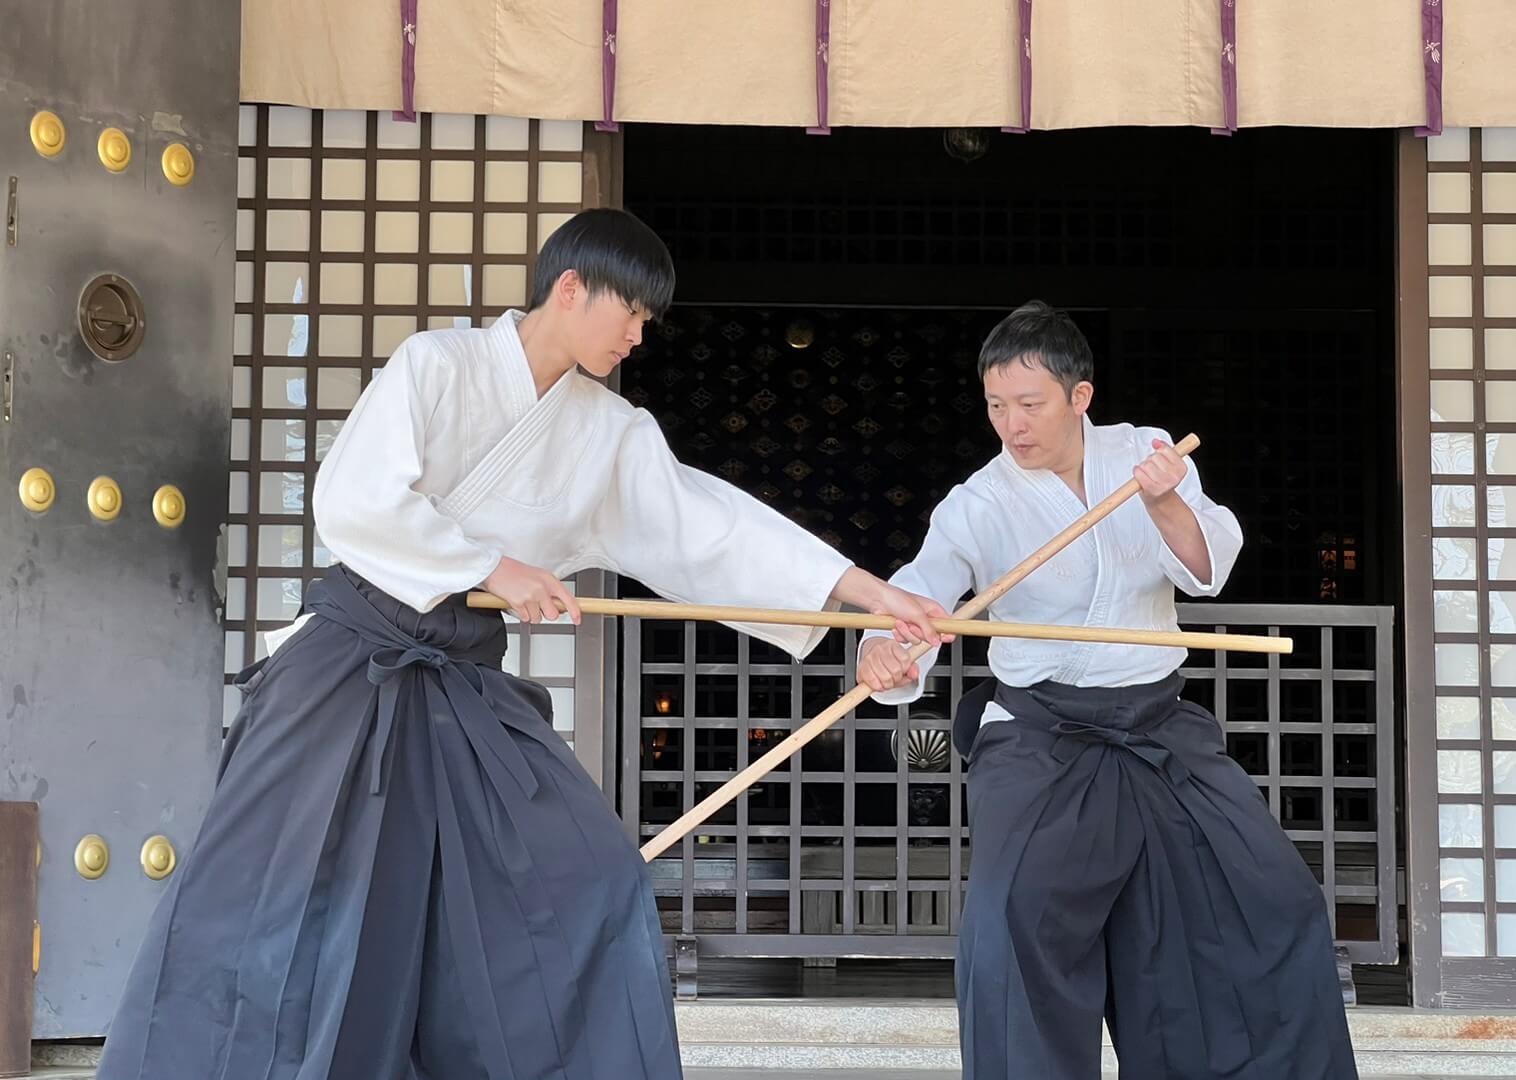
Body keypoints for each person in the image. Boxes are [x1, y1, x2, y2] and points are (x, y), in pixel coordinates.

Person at [97, 208, 950, 1080]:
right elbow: (353, 501)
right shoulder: (438, 365)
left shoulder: (608, 433)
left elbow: (711, 532)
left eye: (649, 319)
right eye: (630, 310)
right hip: (349, 668)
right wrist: (491, 566)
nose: (637, 333)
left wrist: (862, 594)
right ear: (570, 287)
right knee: (282, 911)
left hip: (464, 685)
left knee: (593, 884)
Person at [856, 301, 1357, 1080]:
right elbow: (921, 591)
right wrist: (887, 648)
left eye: (1030, 404)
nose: (1011, 425)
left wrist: (1163, 500)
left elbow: (1208, 567)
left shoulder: (1146, 456)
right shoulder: (978, 502)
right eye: (996, 406)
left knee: (1273, 902)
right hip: (1040, 736)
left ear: (1079, 396)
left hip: (1157, 728)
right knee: (1010, 925)